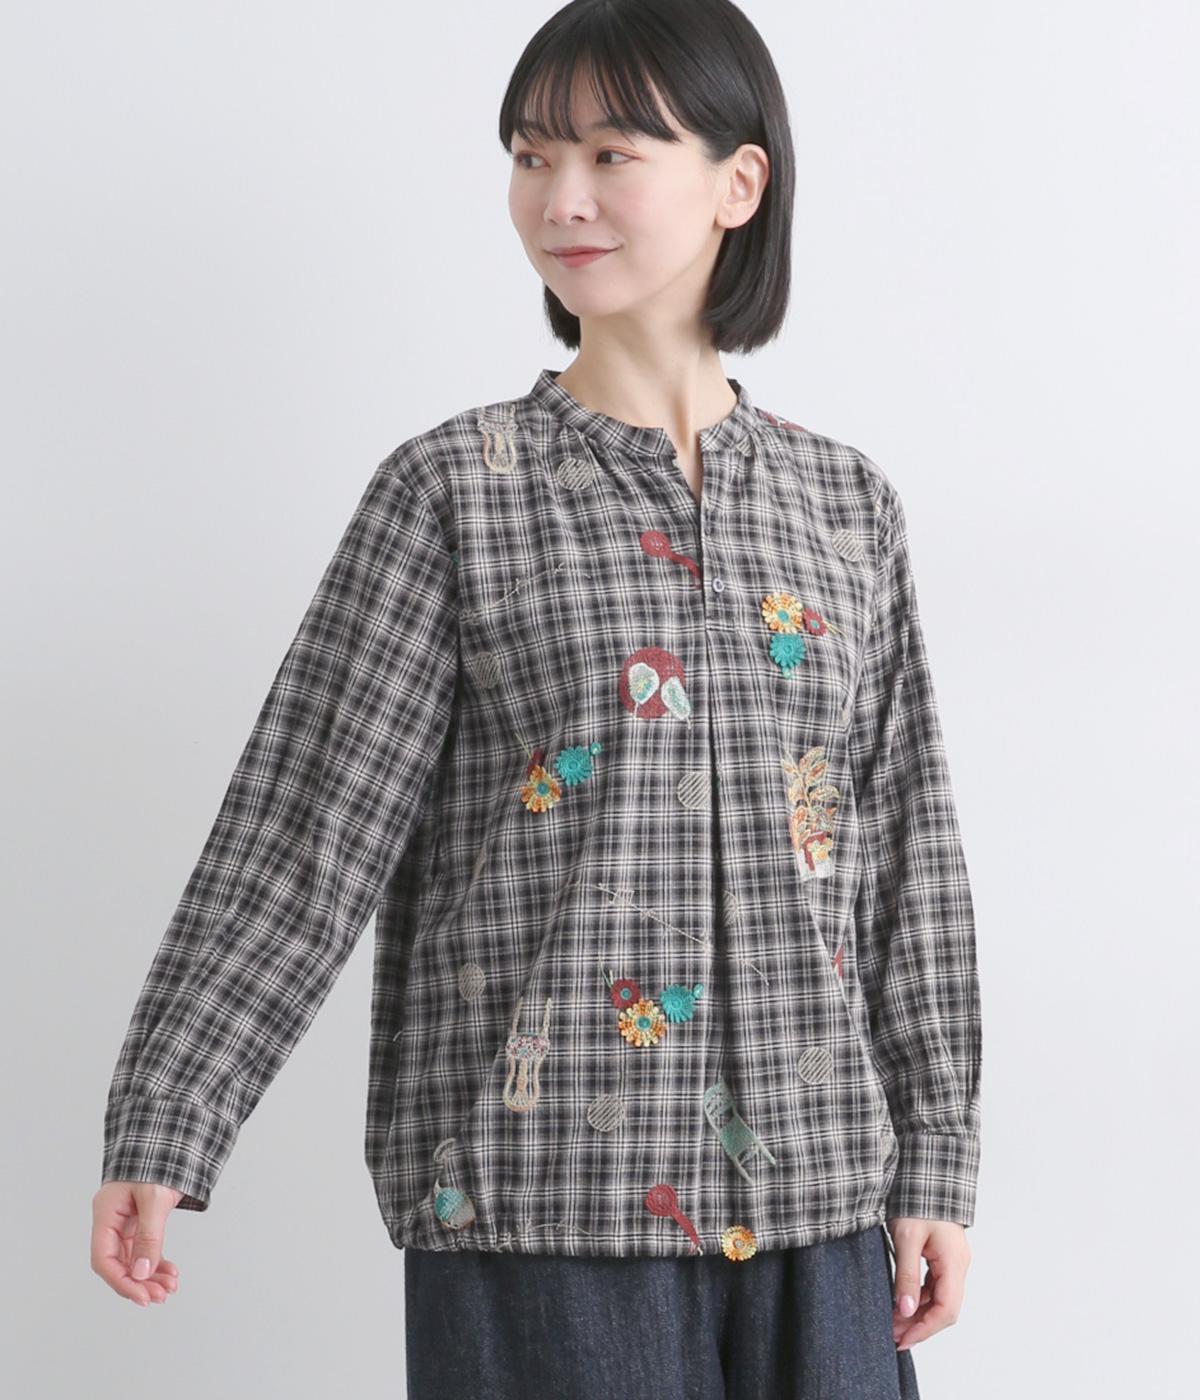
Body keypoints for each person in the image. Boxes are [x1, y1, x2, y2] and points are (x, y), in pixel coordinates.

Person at [91, 2, 982, 1395]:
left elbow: (907, 856)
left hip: (821, 1210)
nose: (559, 198)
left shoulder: (845, 507)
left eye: (611, 153)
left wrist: (937, 1155)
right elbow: (305, 834)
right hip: (543, 1206)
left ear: (738, 183)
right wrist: (170, 1116)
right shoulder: (454, 494)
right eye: (530, 155)